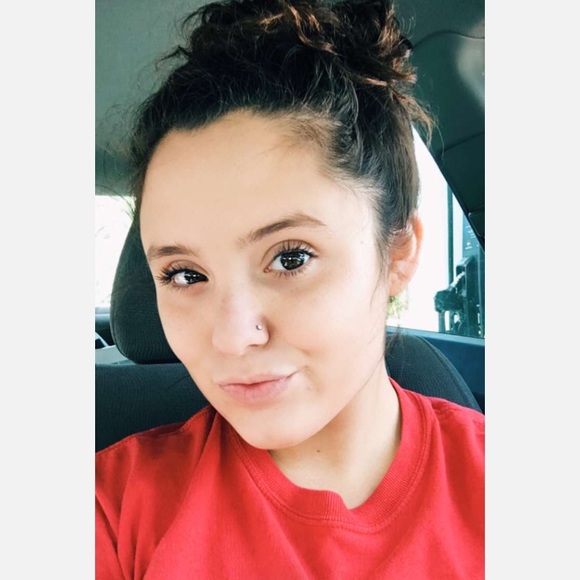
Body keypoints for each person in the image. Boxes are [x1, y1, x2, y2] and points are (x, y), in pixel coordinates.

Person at [95, 0, 484, 578]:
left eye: (290, 257)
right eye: (185, 275)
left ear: (399, 252)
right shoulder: (113, 508)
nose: (231, 338)